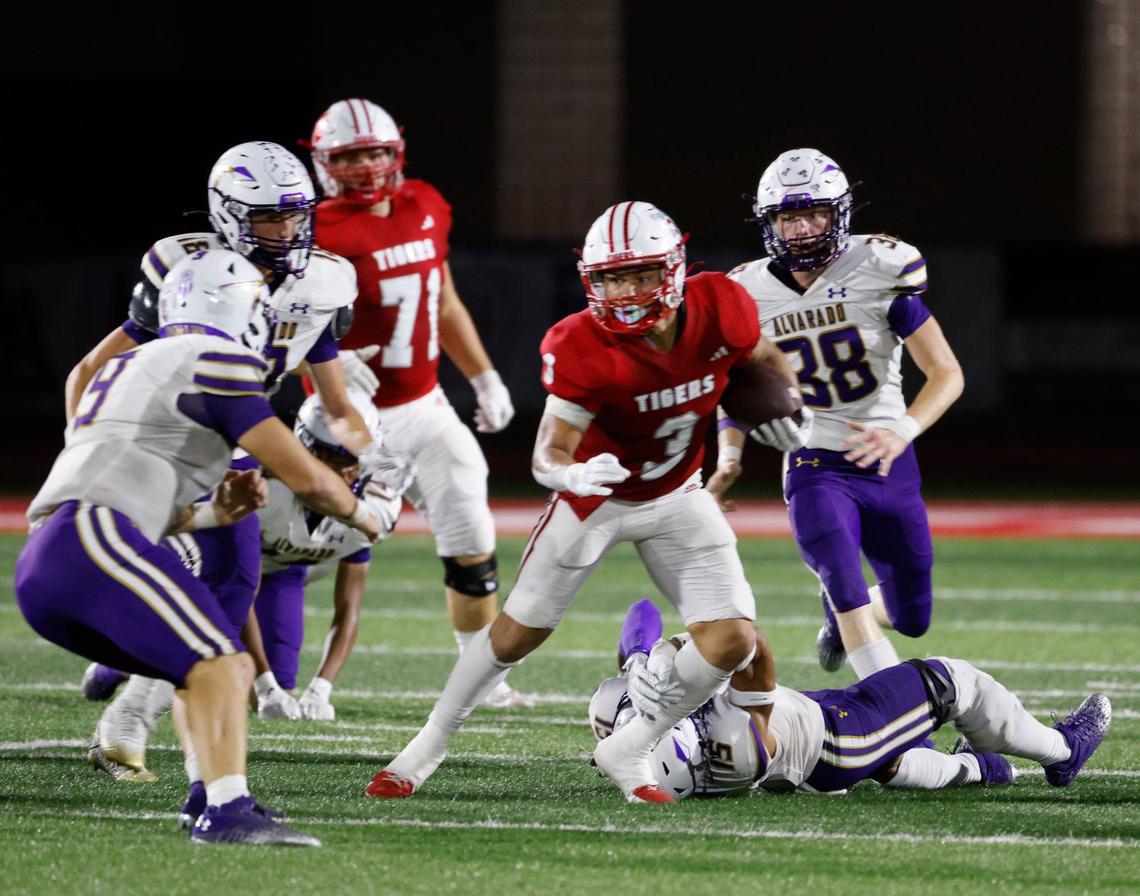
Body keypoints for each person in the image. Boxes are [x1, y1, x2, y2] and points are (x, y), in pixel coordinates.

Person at [364, 200, 809, 803]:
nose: (625, 292)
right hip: (596, 499)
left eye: (640, 275)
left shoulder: (721, 306)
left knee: (735, 640)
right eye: (610, 278)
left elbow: (760, 359)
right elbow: (548, 451)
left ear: (673, 271)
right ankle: (428, 745)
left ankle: (632, 746)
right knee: (514, 635)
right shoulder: (579, 344)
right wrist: (569, 476)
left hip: (679, 492)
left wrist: (792, 404)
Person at [16, 249, 385, 845]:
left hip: (60, 552)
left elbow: (144, 493)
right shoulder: (214, 360)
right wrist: (366, 515)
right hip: (95, 540)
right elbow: (309, 478)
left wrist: (220, 511)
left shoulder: (127, 366)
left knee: (199, 661)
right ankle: (227, 810)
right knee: (225, 662)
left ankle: (203, 797)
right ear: (240, 307)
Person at [69, 141, 391, 784]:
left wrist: (370, 449)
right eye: (271, 217)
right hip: (156, 444)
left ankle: (131, 712)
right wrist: (86, 448)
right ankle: (129, 700)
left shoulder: (319, 283)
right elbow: (87, 372)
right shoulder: (189, 273)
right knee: (207, 580)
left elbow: (336, 405)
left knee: (230, 582)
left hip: (228, 438)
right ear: (229, 216)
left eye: (297, 214)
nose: (289, 230)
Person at [307, 99, 529, 709]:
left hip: (426, 406)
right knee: (298, 554)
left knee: (471, 525)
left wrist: (484, 377)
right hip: (347, 416)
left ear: (396, 152)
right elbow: (284, 320)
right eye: (348, 155)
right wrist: (322, 359)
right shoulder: (316, 230)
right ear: (326, 163)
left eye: (374, 151)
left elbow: (445, 300)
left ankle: (481, 678)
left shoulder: (425, 205)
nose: (364, 166)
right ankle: (158, 660)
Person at [712, 148, 964, 679]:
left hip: (888, 457)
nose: (802, 230)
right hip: (812, 458)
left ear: (839, 214)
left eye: (814, 214)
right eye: (788, 217)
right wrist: (729, 455)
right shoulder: (746, 292)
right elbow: (735, 385)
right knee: (842, 572)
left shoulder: (879, 268)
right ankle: (896, 713)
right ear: (769, 224)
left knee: (911, 616)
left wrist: (902, 429)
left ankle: (840, 615)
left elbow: (947, 372)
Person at [590, 600, 1112, 799]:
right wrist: (675, 650)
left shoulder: (633, 728)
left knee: (895, 761)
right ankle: (1064, 752)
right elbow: (750, 647)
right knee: (951, 681)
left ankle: (981, 770)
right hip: (839, 736)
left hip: (810, 750)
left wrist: (638, 660)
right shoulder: (731, 740)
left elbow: (637, 614)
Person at [255, 388, 405, 720]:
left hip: (286, 571)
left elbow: (349, 606)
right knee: (186, 666)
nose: (340, 472)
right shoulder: (263, 487)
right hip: (215, 571)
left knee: (268, 696)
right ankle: (116, 672)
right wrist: (263, 684)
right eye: (328, 457)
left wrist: (321, 687)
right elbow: (235, 588)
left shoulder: (376, 504)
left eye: (349, 459)